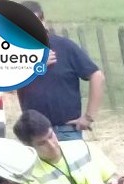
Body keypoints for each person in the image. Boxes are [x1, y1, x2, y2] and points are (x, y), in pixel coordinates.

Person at [17, 1, 105, 141]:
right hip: (34, 133)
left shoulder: (65, 47)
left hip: (66, 130)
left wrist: (88, 117)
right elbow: (6, 87)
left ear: (43, 22)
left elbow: (97, 76)